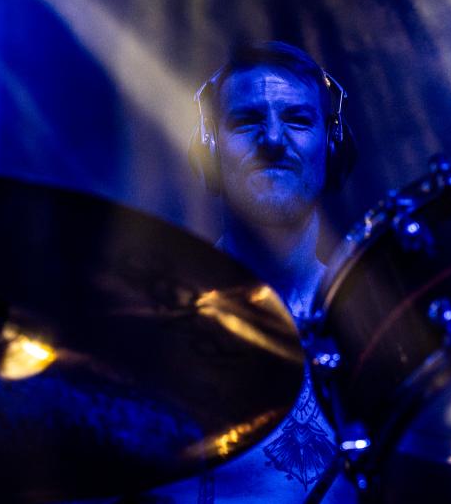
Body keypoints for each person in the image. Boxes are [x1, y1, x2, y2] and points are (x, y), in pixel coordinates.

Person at [140, 41, 357, 503]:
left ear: (332, 145)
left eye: (298, 120)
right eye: (246, 121)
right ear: (209, 150)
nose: (273, 140)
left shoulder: (376, 328)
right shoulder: (149, 328)